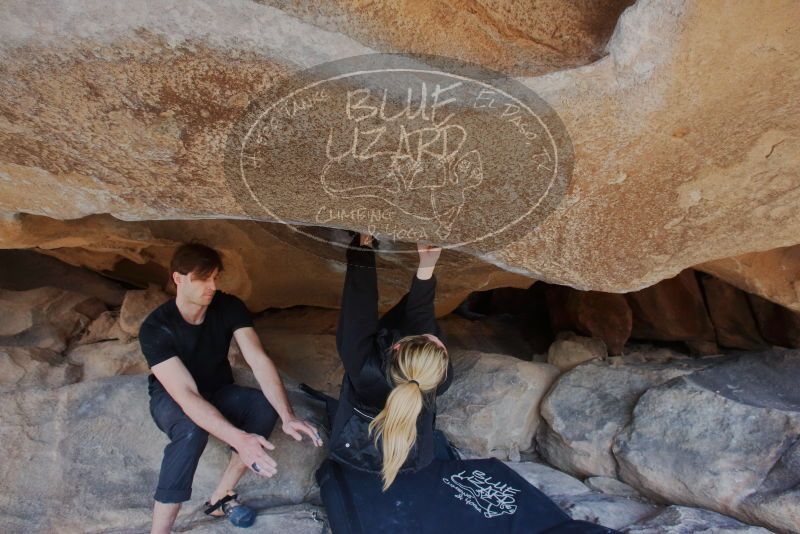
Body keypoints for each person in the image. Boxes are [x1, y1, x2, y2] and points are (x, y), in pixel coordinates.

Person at [139, 242, 322, 533]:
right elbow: (185, 395)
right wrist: (240, 439)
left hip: (219, 388)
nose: (211, 286)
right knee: (191, 429)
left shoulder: (228, 306)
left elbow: (258, 360)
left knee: (263, 406)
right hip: (172, 397)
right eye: (202, 279)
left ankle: (220, 497)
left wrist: (287, 416)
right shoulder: (156, 327)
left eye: (215, 278)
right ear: (178, 278)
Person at [330, 232, 453, 491]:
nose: (439, 339)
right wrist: (426, 265)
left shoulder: (361, 364)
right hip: (416, 460)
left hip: (354, 449)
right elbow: (421, 319)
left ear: (397, 346)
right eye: (441, 346)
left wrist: (363, 245)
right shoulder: (438, 377)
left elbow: (359, 305)